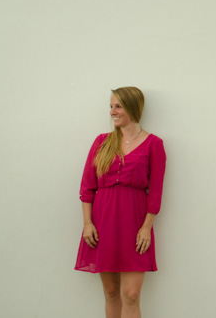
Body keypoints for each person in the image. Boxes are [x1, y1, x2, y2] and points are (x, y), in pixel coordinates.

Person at [75, 86, 166, 318]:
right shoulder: (102, 142)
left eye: (118, 107)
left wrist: (146, 227)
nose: (112, 112)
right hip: (103, 223)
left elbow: (155, 192)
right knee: (111, 292)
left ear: (133, 108)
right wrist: (87, 223)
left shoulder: (154, 144)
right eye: (111, 106)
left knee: (131, 294)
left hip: (135, 224)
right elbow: (87, 187)